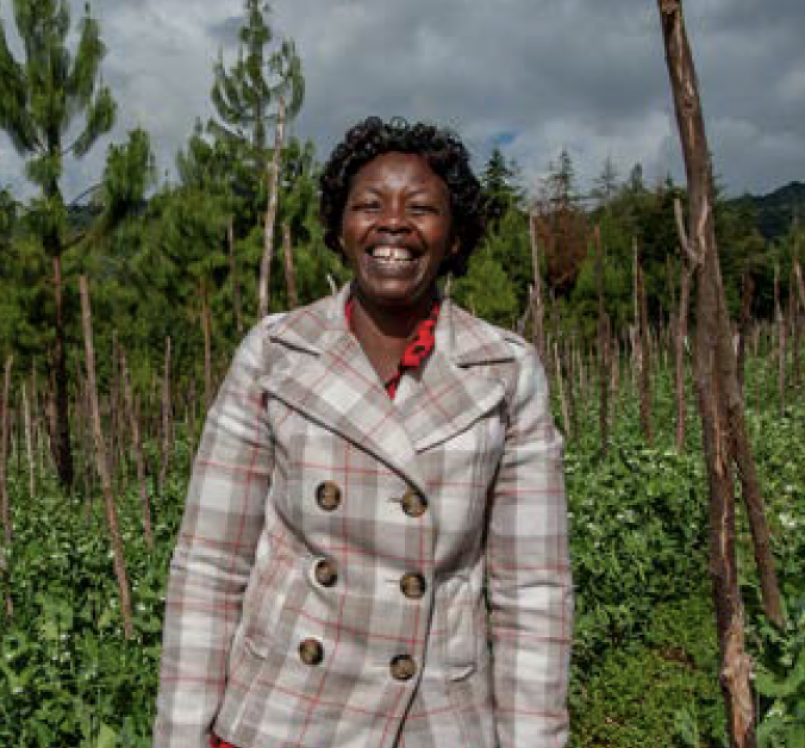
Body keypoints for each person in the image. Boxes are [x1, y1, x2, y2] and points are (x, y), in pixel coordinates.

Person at [154, 117, 572, 748]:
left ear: (454, 237)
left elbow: (533, 594)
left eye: (423, 208)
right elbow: (210, 566)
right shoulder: (276, 353)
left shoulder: (504, 373)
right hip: (281, 715)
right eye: (369, 205)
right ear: (340, 229)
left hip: (433, 723)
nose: (394, 223)